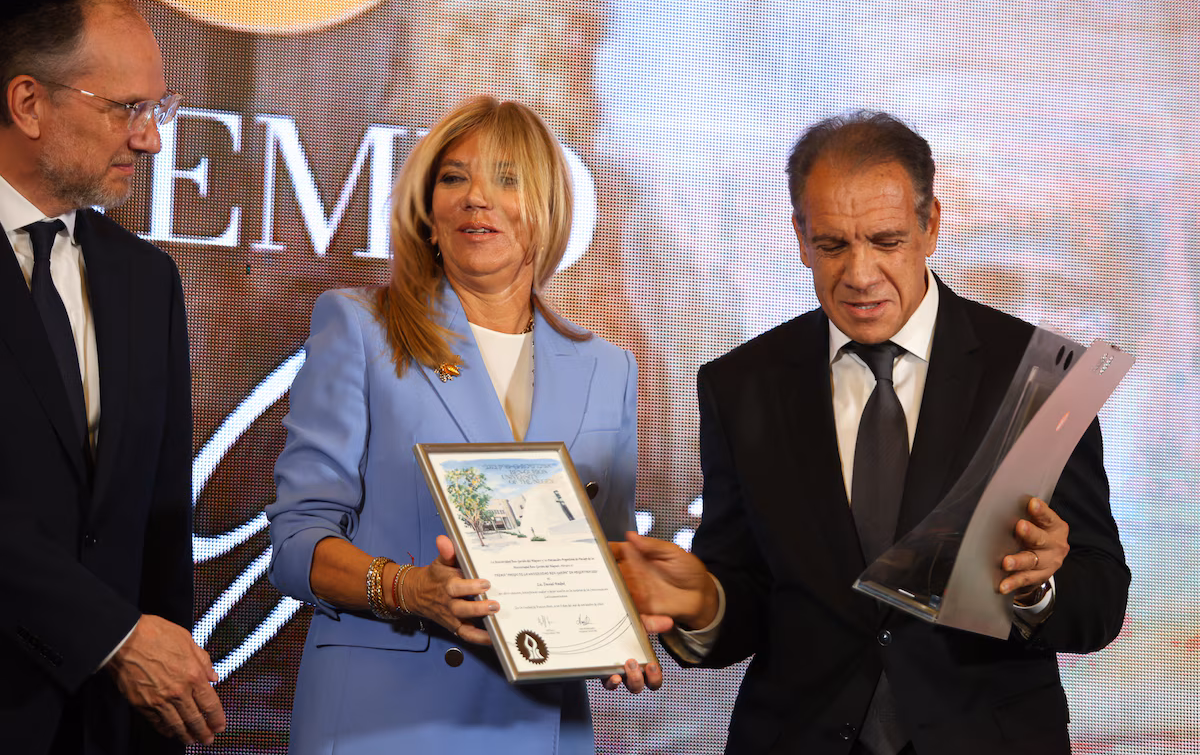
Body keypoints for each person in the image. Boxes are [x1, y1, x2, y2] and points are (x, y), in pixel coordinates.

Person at [612, 111, 1130, 755]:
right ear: (800, 235)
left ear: (930, 225)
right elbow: (747, 595)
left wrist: (1041, 585)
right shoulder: (741, 384)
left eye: (885, 241)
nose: (859, 274)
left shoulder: (1041, 375)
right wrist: (704, 602)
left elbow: (1100, 601)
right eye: (832, 244)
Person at [267, 95, 657, 754]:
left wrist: (628, 622)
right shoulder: (360, 328)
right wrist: (404, 588)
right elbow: (297, 541)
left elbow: (606, 561)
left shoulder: (607, 370)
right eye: (454, 177)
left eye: (508, 178)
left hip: (536, 728)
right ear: (428, 212)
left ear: (550, 209)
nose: (477, 197)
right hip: (380, 723)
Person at [0, 0, 226, 754]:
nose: (151, 137)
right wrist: (114, 636)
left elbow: (161, 530)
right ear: (27, 102)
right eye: (127, 108)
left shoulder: (146, 280)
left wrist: (163, 692)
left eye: (158, 108)